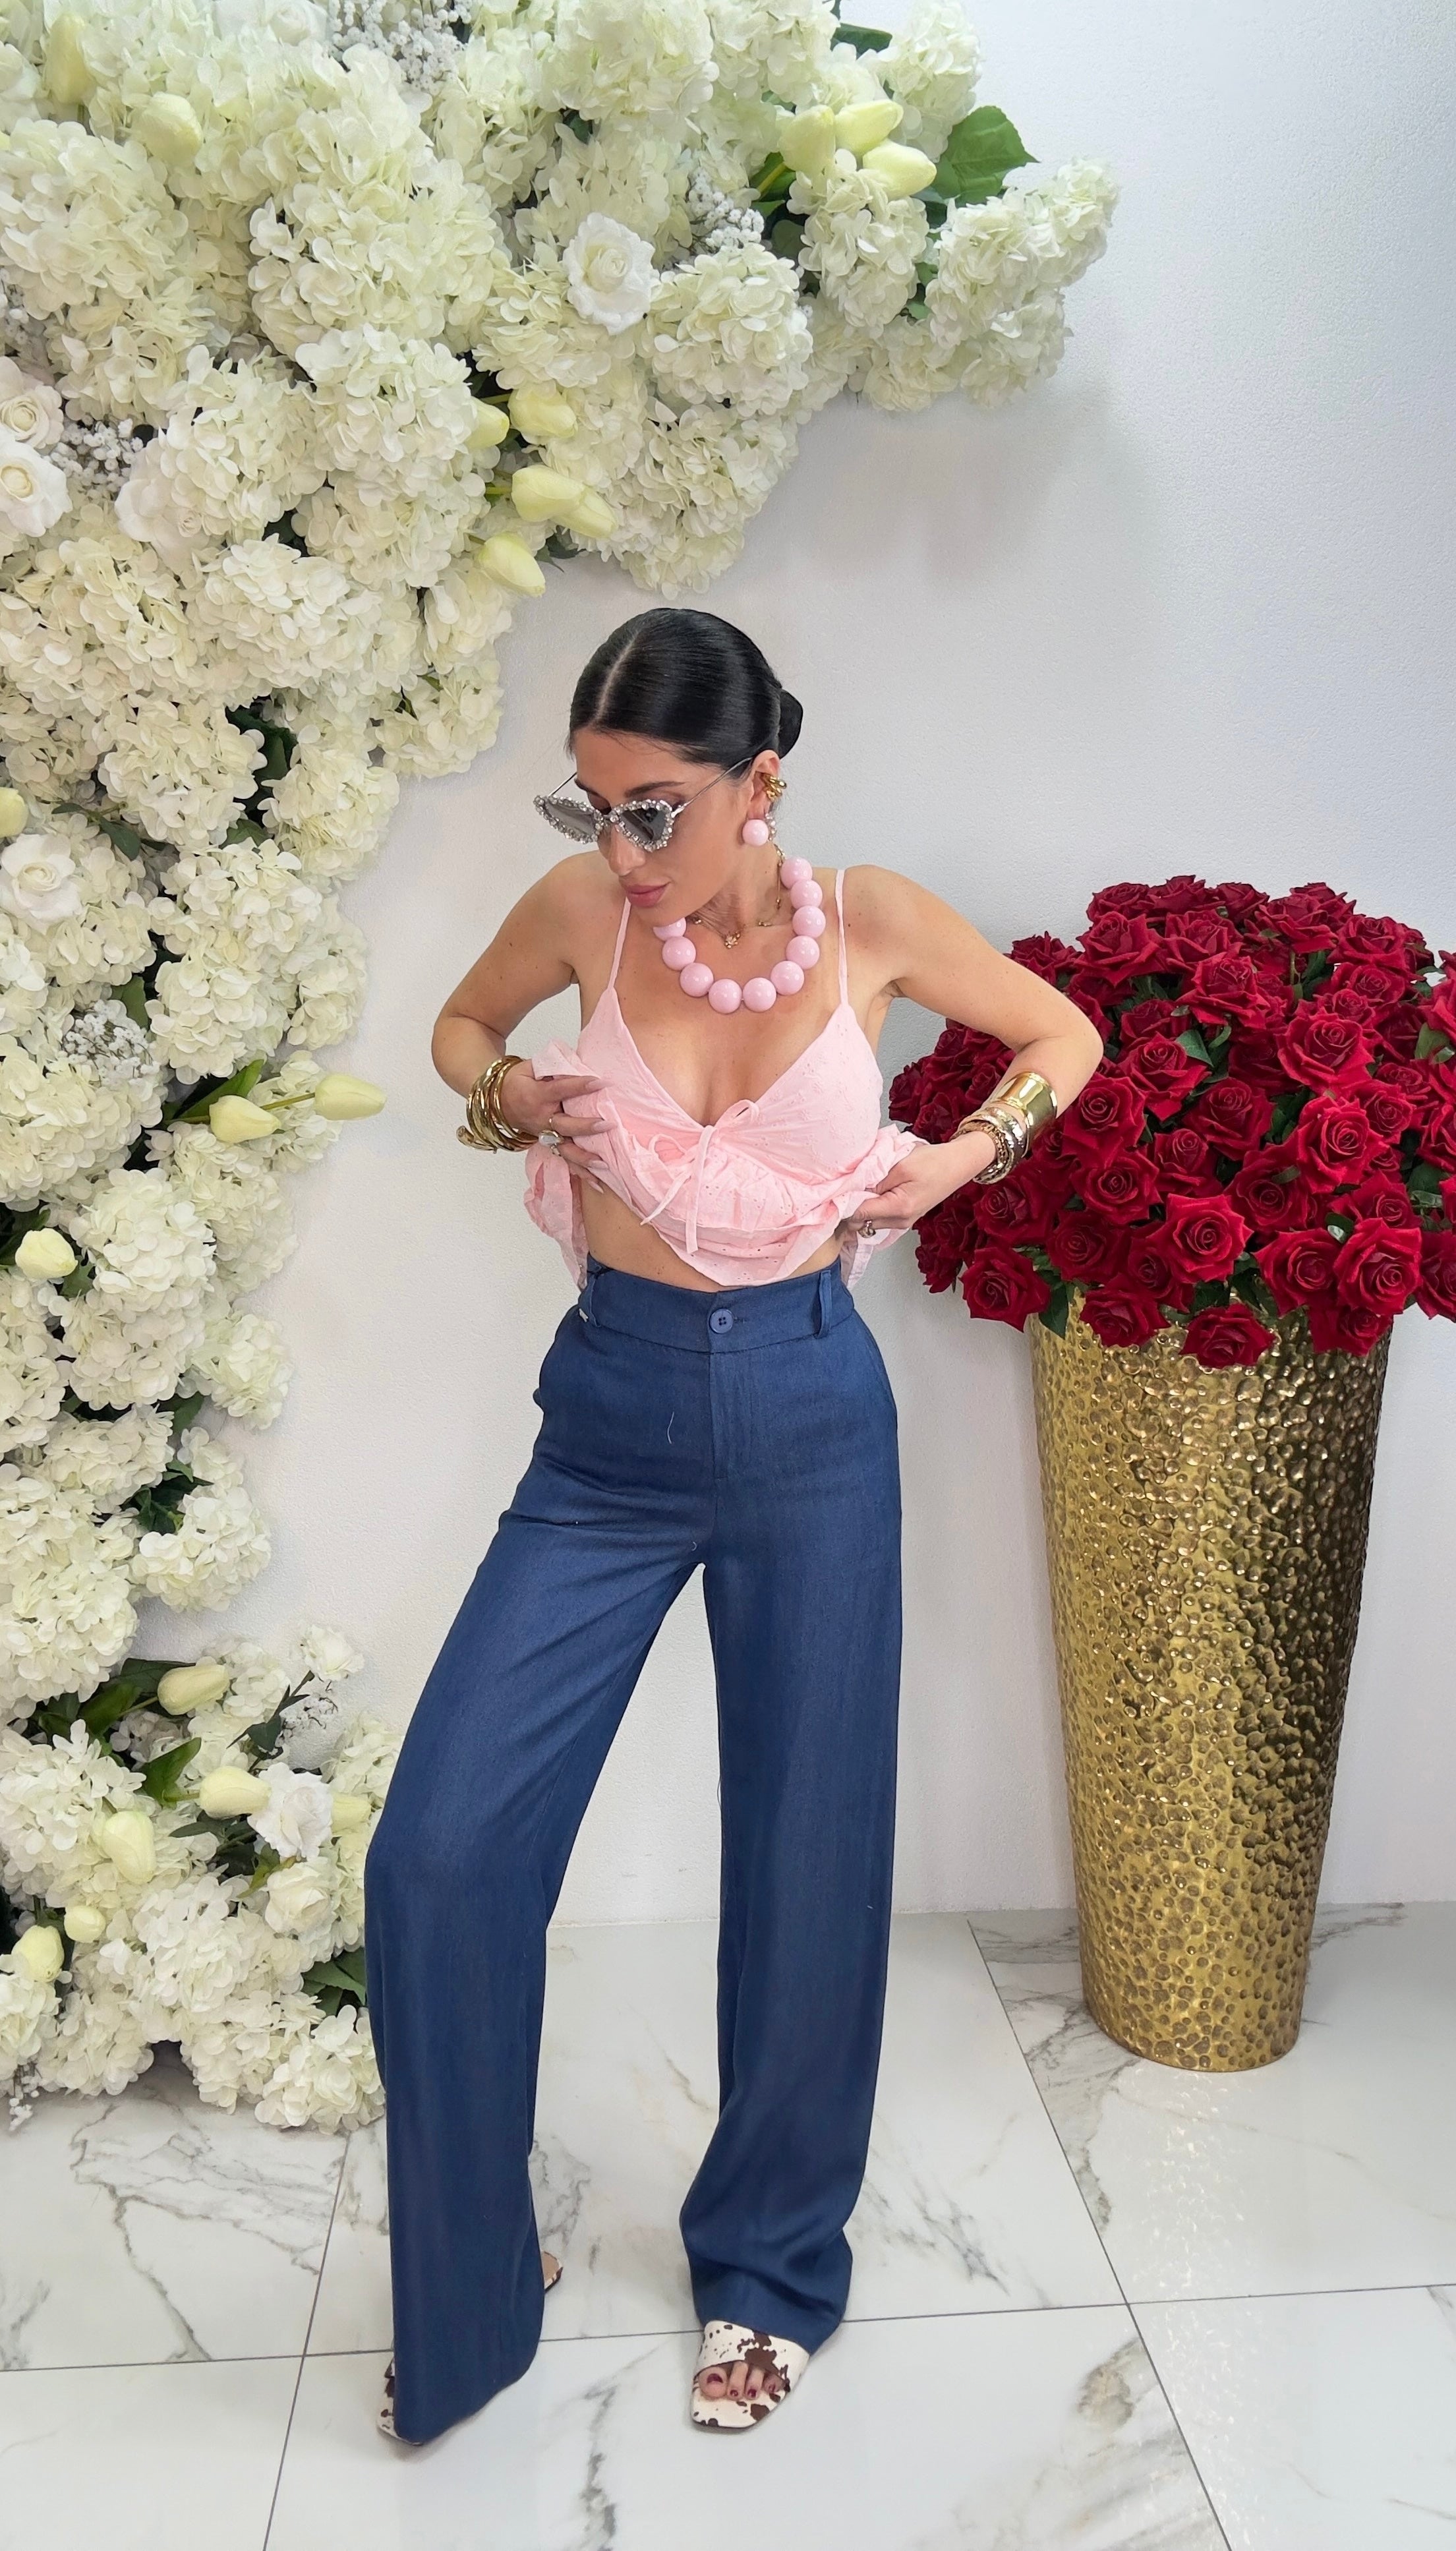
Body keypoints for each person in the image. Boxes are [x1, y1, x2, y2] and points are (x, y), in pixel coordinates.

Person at [363, 606, 1103, 2447]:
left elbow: (1061, 1034)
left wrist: (964, 1156)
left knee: (805, 1856)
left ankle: (769, 2269)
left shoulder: (874, 920)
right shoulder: (583, 911)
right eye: (593, 806)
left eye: (656, 810)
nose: (623, 850)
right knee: (439, 1855)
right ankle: (470, 2280)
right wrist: (504, 1094)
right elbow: (457, 1026)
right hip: (607, 1426)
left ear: (758, 781)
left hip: (809, 1418)